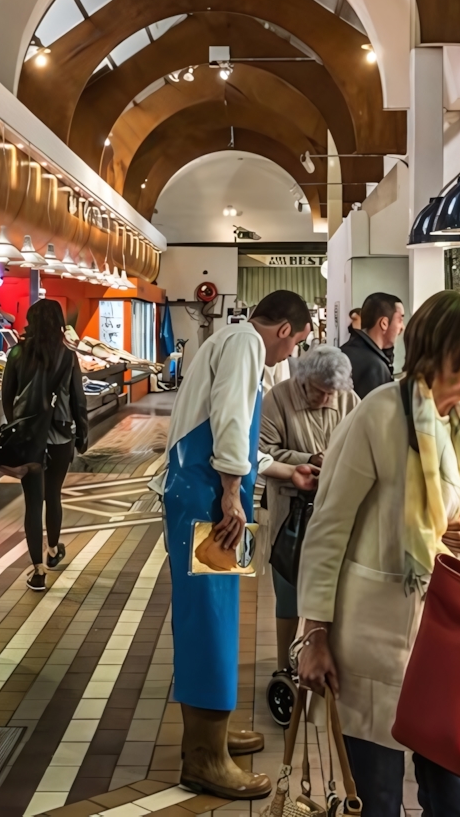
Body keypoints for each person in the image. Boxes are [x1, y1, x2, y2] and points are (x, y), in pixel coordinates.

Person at [296, 290, 460, 816]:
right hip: (373, 641)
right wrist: (313, 633)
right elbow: (328, 526)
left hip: (449, 641)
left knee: (452, 795)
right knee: (377, 796)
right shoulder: (381, 413)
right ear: (444, 344)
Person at [162, 289, 312, 800]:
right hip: (211, 501)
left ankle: (214, 734)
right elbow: (229, 419)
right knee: (209, 621)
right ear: (285, 330)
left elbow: (237, 435)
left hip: (209, 495)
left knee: (219, 618)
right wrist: (231, 493)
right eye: (295, 345)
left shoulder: (228, 339)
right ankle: (204, 759)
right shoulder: (248, 344)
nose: (289, 356)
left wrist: (285, 470)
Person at [259, 344, 357, 678]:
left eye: (333, 393)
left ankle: (324, 656)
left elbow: (362, 444)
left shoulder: (348, 399)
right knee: (288, 591)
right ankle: (283, 666)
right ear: (303, 380)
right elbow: (262, 452)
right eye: (319, 391)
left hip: (336, 510)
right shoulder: (277, 399)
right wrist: (308, 460)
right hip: (291, 512)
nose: (327, 399)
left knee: (335, 589)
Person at [1, 299, 90, 591]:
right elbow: (78, 398)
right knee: (53, 495)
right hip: (60, 436)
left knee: (31, 502)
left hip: (28, 439)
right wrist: (82, 434)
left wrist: (20, 428)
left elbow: (7, 396)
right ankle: (53, 549)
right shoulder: (67, 355)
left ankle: (37, 570)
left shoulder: (16, 353)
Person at [340, 291, 403, 397]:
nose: (402, 328)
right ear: (384, 323)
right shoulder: (375, 366)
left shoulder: (345, 350)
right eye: (400, 320)